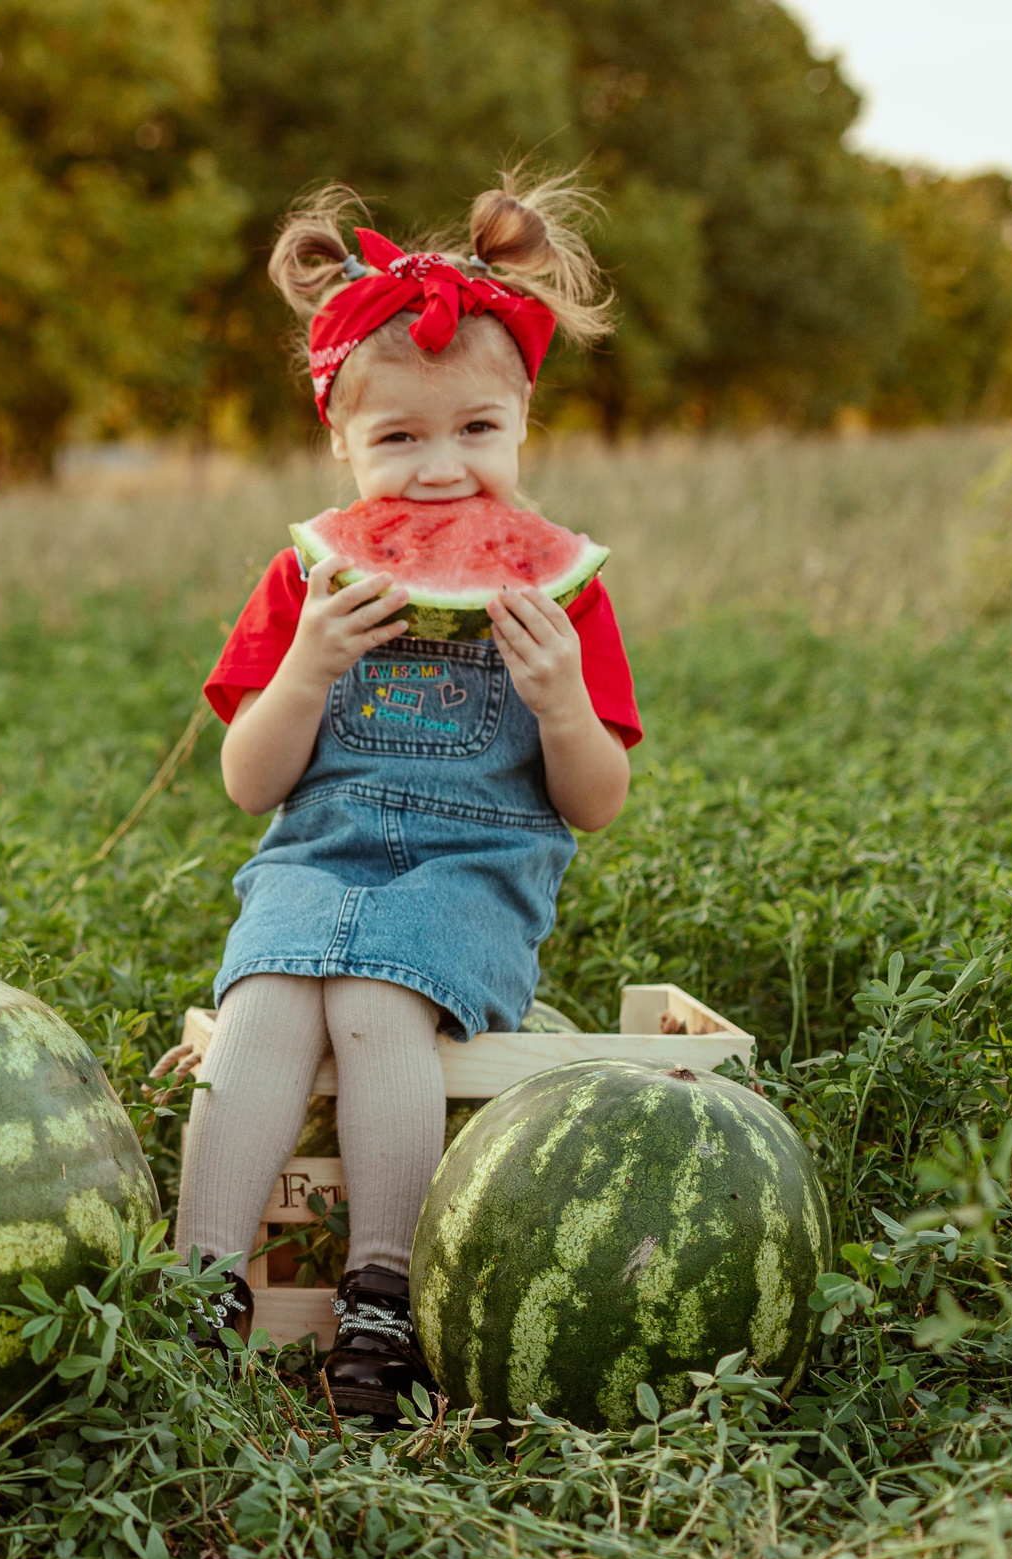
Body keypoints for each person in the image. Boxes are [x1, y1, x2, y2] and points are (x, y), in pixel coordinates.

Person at [150, 174, 643, 1418]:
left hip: (471, 874)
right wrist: (309, 664)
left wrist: (559, 702)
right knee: (263, 998)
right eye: (399, 440)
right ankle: (195, 1283)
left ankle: (384, 1289)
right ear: (340, 444)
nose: (439, 472)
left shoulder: (563, 593)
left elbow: (594, 801)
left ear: (521, 422)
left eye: (476, 432)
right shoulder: (304, 576)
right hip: (314, 852)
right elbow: (248, 780)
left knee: (376, 998)